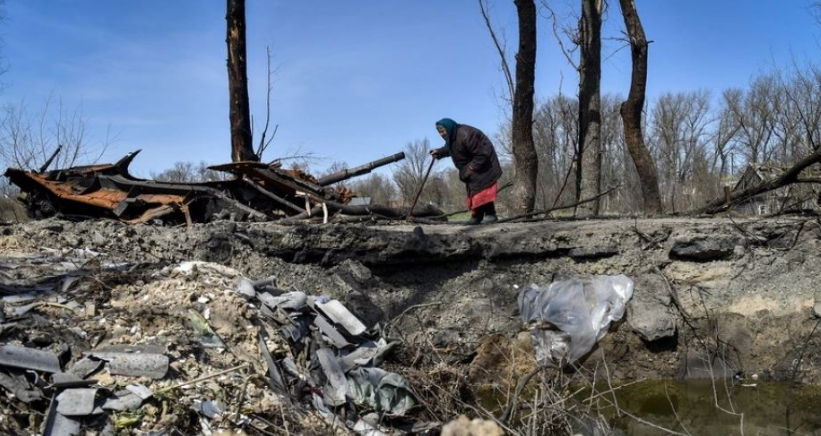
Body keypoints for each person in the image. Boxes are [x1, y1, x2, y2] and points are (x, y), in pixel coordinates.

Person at [430, 118, 503, 225]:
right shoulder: (452, 137)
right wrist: (439, 152)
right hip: (472, 166)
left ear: (449, 128)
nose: (441, 134)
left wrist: (471, 168)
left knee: (482, 190)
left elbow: (482, 154)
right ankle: (477, 216)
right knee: (474, 191)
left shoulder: (465, 134)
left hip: (484, 164)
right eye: (439, 132)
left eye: (443, 131)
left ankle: (490, 215)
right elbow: (449, 148)